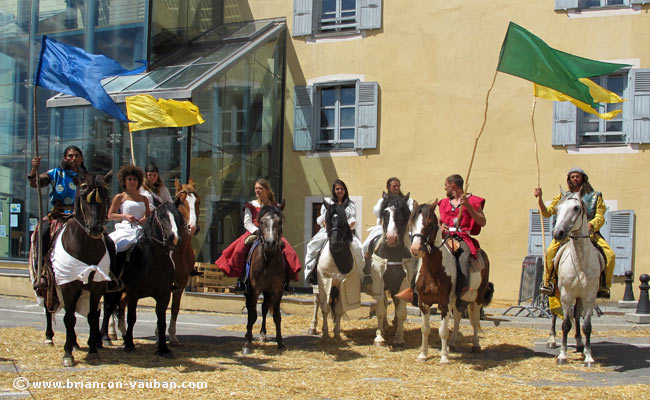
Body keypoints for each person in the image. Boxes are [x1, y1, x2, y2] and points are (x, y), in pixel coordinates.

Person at [535, 168, 614, 299]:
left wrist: (591, 224)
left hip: (590, 234)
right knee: (549, 253)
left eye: (577, 176)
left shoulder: (595, 197)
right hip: (567, 234)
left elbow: (600, 216)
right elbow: (547, 212)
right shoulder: (563, 197)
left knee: (610, 255)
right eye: (572, 177)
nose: (575, 179)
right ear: (569, 179)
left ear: (583, 178)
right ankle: (549, 282)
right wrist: (540, 199)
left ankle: (604, 285)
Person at [214, 178, 302, 290]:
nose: (257, 191)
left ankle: (286, 280)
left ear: (267, 190)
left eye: (260, 188)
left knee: (288, 250)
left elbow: (280, 221)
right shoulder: (251, 204)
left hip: (271, 232)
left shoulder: (275, 205)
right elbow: (247, 222)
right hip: (254, 232)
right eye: (255, 188)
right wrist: (258, 231)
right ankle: (242, 279)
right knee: (239, 250)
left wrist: (274, 232)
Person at [28, 146, 88, 288]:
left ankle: (107, 274)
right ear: (65, 158)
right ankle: (42, 271)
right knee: (42, 233)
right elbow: (34, 183)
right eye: (70, 156)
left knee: (105, 240)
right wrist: (34, 169)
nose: (74, 159)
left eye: (77, 156)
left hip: (82, 218)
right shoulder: (55, 174)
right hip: (59, 216)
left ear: (82, 159)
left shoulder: (87, 177)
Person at [438, 174, 486, 312]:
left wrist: (468, 207)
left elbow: (482, 222)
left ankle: (463, 291)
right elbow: (439, 221)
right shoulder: (444, 203)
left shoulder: (473, 201)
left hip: (461, 236)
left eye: (446, 185)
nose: (444, 188)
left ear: (453, 185)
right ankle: (418, 290)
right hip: (445, 236)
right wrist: (440, 226)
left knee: (463, 255)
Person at [304, 179, 364, 285]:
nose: (340, 191)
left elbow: (352, 220)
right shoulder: (328, 202)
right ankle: (311, 272)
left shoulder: (350, 204)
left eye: (342, 189)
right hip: (329, 230)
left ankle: (360, 274)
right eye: (337, 189)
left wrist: (345, 229)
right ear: (334, 190)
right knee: (312, 245)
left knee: (358, 248)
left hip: (345, 231)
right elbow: (322, 218)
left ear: (345, 190)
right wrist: (329, 228)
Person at [362, 177, 416, 283]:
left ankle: (414, 273)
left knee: (415, 246)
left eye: (398, 186)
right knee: (366, 244)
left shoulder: (408, 200)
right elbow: (377, 213)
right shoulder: (383, 200)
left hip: (403, 230)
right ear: (388, 187)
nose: (396, 188)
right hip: (383, 228)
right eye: (394, 186)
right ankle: (367, 272)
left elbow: (411, 215)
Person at [108, 165, 150, 253]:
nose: (132, 182)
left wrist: (145, 219)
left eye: (135, 179)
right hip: (126, 228)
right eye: (129, 179)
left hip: (142, 228)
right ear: (124, 181)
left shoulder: (144, 198)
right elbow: (110, 215)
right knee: (120, 246)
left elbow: (148, 216)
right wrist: (125, 216)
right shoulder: (120, 197)